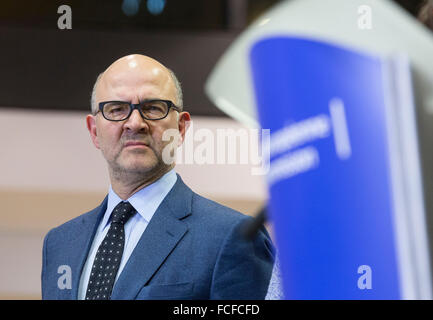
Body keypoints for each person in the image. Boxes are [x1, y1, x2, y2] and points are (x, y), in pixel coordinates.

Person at [41, 54, 275, 300]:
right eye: (117, 109)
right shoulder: (60, 244)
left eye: (152, 108)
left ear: (181, 128)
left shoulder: (233, 237)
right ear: (94, 131)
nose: (135, 123)